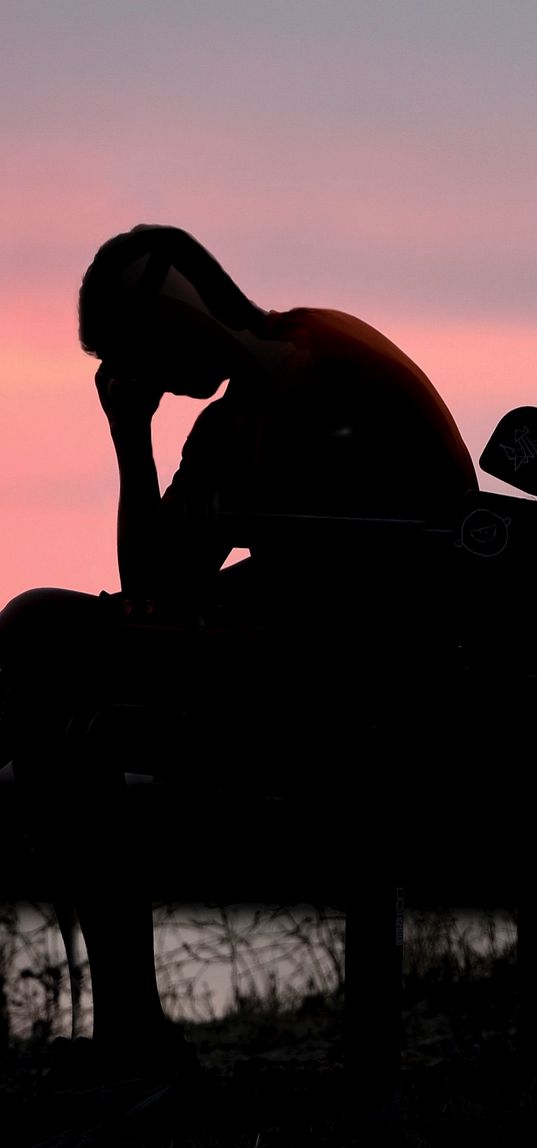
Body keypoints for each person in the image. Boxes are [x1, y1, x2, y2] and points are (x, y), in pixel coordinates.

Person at [0, 224, 478, 1088]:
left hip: (342, 685)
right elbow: (153, 583)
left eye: (129, 352)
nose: (129, 376)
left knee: (70, 684)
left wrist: (243, 591)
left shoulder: (334, 360)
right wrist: (131, 441)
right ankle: (133, 1036)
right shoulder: (224, 427)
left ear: (178, 316)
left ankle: (132, 1042)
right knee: (37, 638)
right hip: (262, 662)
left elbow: (421, 547)